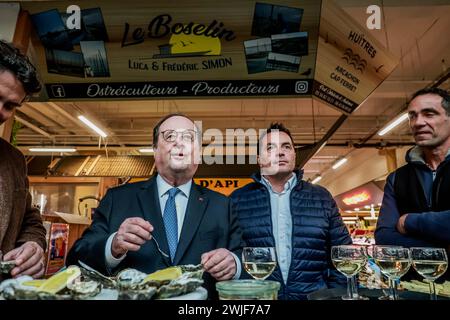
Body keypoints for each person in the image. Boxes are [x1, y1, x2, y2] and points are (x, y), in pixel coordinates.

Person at [67, 113, 244, 298]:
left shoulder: (222, 205)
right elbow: (77, 257)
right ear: (155, 149)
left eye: (188, 138)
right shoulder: (117, 199)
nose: (179, 143)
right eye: (169, 137)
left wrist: (234, 263)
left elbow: (244, 259)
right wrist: (113, 245)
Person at [230, 123, 352, 300]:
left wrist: (335, 295)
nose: (280, 152)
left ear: (294, 154)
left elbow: (344, 253)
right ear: (258, 159)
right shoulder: (238, 200)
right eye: (270, 148)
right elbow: (231, 254)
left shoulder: (321, 197)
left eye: (286, 147)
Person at [375, 88, 450, 255]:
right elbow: (384, 237)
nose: (417, 122)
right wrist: (442, 251)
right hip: (416, 281)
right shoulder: (398, 178)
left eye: (429, 114)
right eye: (412, 116)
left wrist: (408, 221)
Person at [0, 40, 46, 279]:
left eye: (9, 106)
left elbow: (30, 219)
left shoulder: (14, 160)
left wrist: (33, 246)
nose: (0, 111)